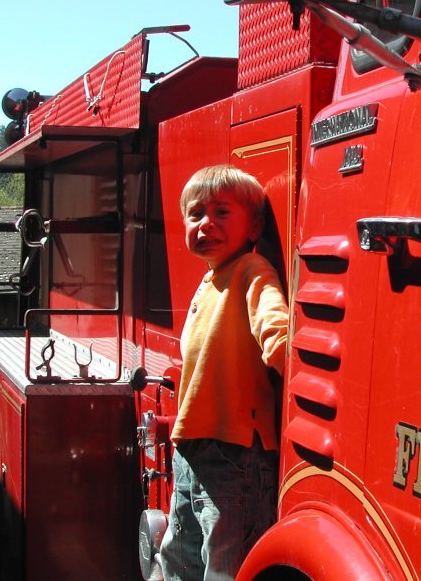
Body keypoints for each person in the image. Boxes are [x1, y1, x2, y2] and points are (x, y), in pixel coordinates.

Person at [159, 165, 289, 581]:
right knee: (179, 555)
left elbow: (275, 325)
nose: (206, 224)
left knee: (225, 563)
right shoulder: (211, 279)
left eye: (221, 212)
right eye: (195, 214)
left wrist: (287, 354)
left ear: (254, 227)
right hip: (193, 446)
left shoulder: (252, 270)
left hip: (235, 450)